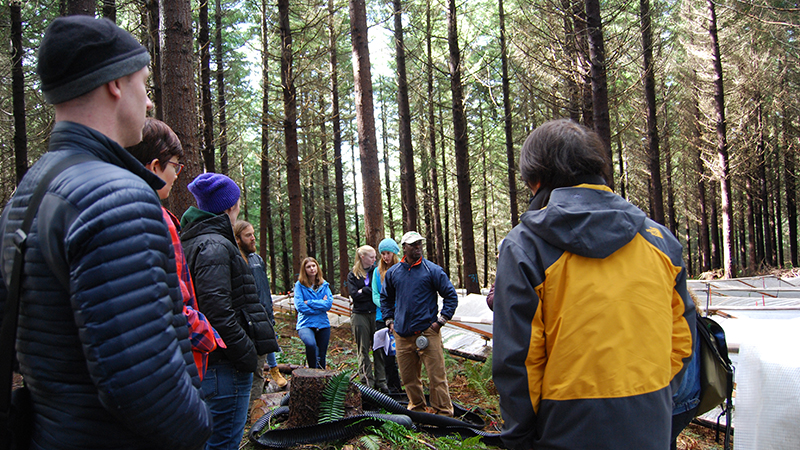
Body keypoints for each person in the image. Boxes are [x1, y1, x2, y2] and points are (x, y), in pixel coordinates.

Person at [0, 16, 212, 450]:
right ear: (116, 83)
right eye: (145, 84)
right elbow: (144, 386)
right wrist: (198, 426)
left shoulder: (30, 190)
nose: (149, 102)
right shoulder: (118, 197)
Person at [491, 119, 695, 450]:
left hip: (562, 428)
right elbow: (682, 341)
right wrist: (654, 399)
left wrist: (518, 436)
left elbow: (519, 359)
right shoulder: (661, 242)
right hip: (651, 423)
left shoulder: (525, 245)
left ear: (537, 179)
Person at [181, 173, 278, 450]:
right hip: (224, 367)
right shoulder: (214, 244)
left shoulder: (194, 239)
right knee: (223, 444)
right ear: (229, 206)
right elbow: (217, 311)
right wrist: (246, 354)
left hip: (210, 363)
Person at [126, 118, 224, 380]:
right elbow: (170, 307)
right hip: (172, 371)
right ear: (155, 166)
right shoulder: (153, 217)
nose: (177, 174)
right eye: (175, 166)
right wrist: (207, 336)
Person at [381, 231, 458, 417]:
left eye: (419, 244)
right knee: (408, 378)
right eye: (413, 244)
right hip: (401, 334)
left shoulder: (432, 270)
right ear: (404, 248)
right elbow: (386, 298)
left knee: (436, 376)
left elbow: (451, 296)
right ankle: (416, 411)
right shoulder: (393, 273)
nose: (417, 247)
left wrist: (441, 321)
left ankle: (444, 415)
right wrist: (389, 320)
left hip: (427, 333)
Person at [233, 220, 288, 413]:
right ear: (238, 239)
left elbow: (264, 290)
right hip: (243, 322)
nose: (253, 238)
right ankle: (242, 409)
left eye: (253, 233)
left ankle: (252, 410)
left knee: (258, 366)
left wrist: (269, 318)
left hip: (263, 319)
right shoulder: (234, 259)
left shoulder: (257, 259)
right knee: (246, 367)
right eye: (248, 235)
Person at [371, 238, 403, 393]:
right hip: (382, 317)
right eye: (383, 254)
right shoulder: (377, 272)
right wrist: (386, 307)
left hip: (401, 316)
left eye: (388, 253)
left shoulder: (402, 270)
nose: (385, 257)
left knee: (404, 353)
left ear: (394, 253)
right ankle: (393, 387)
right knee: (388, 355)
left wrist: (397, 308)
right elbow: (375, 294)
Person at [346, 245, 377, 387]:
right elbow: (354, 296)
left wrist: (363, 290)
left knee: (378, 347)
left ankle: (381, 380)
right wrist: (367, 292)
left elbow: (376, 292)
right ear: (363, 257)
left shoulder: (376, 271)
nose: (375, 259)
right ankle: (366, 381)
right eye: (372, 257)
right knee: (363, 349)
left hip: (375, 313)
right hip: (359, 315)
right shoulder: (353, 274)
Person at [294, 257, 333, 369]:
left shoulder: (324, 284)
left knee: (322, 356)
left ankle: (321, 379)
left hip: (323, 324)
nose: (312, 269)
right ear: (304, 270)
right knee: (311, 344)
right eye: (308, 267)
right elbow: (300, 306)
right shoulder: (299, 285)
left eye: (313, 266)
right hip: (305, 323)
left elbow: (328, 304)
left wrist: (309, 302)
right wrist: (320, 305)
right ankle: (311, 372)